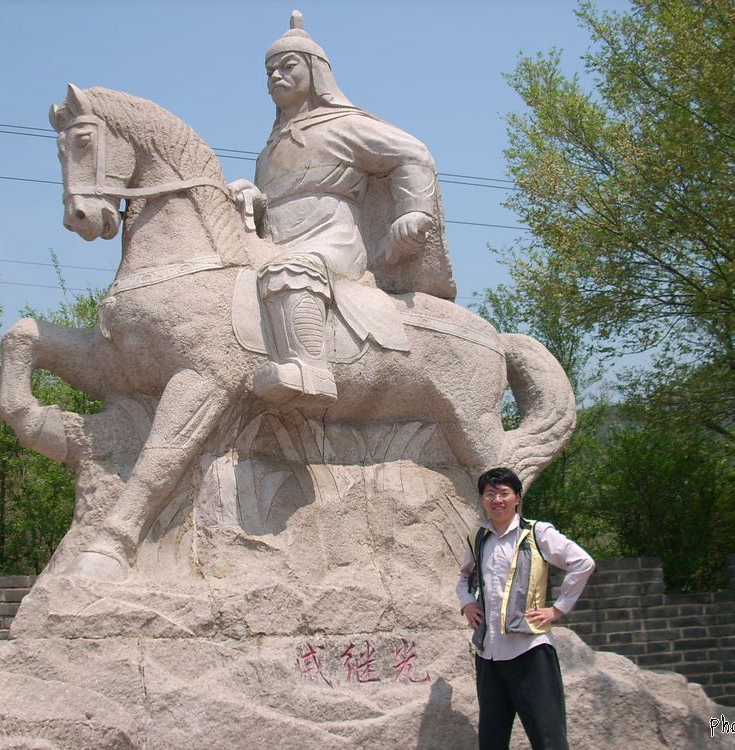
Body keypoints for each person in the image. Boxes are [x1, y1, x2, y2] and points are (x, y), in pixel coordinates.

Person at [230, 11, 455, 401]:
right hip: (274, 243)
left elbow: (413, 154)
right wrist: (252, 197)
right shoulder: (268, 150)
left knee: (292, 268)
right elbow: (273, 202)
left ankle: (310, 369)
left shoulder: (345, 125)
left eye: (287, 66)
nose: (276, 76)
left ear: (315, 71)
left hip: (331, 242)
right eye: (269, 72)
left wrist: (413, 211)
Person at [456, 467, 595, 750]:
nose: (497, 500)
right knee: (491, 740)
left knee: (548, 738)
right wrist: (467, 603)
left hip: (529, 650)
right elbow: (463, 576)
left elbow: (583, 563)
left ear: (517, 497)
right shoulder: (478, 537)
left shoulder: (537, 533)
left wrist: (557, 609)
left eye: (504, 493)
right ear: (482, 500)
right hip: (489, 652)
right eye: (490, 494)